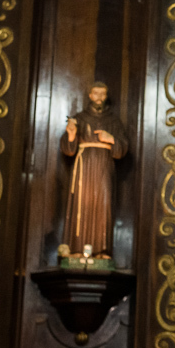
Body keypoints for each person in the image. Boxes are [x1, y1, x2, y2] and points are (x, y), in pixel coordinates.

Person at [60, 82, 129, 257]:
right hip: (84, 166)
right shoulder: (79, 118)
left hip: (104, 166)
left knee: (103, 204)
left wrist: (111, 139)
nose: (99, 97)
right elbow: (68, 149)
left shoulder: (113, 120)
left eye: (102, 94)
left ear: (106, 97)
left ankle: (101, 250)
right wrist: (72, 133)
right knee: (81, 205)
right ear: (90, 96)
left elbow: (123, 148)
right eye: (95, 93)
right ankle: (76, 249)